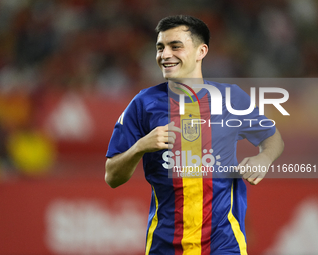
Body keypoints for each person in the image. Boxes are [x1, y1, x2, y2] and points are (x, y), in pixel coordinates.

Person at [105, 15, 284, 255]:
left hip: (224, 245)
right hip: (163, 247)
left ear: (201, 51)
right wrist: (140, 147)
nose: (164, 55)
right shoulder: (142, 104)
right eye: (160, 48)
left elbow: (273, 138)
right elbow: (111, 176)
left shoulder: (231, 98)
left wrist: (264, 158)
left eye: (175, 46)